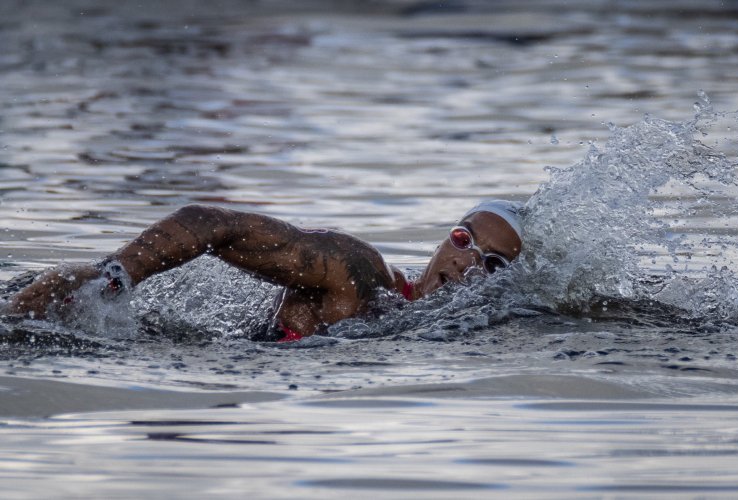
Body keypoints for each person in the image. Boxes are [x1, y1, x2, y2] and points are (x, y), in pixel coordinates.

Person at [8, 200, 523, 341]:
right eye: (464, 239)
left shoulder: (452, 333)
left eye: (493, 264)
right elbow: (208, 221)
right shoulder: (360, 273)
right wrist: (112, 281)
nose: (467, 263)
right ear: (445, 237)